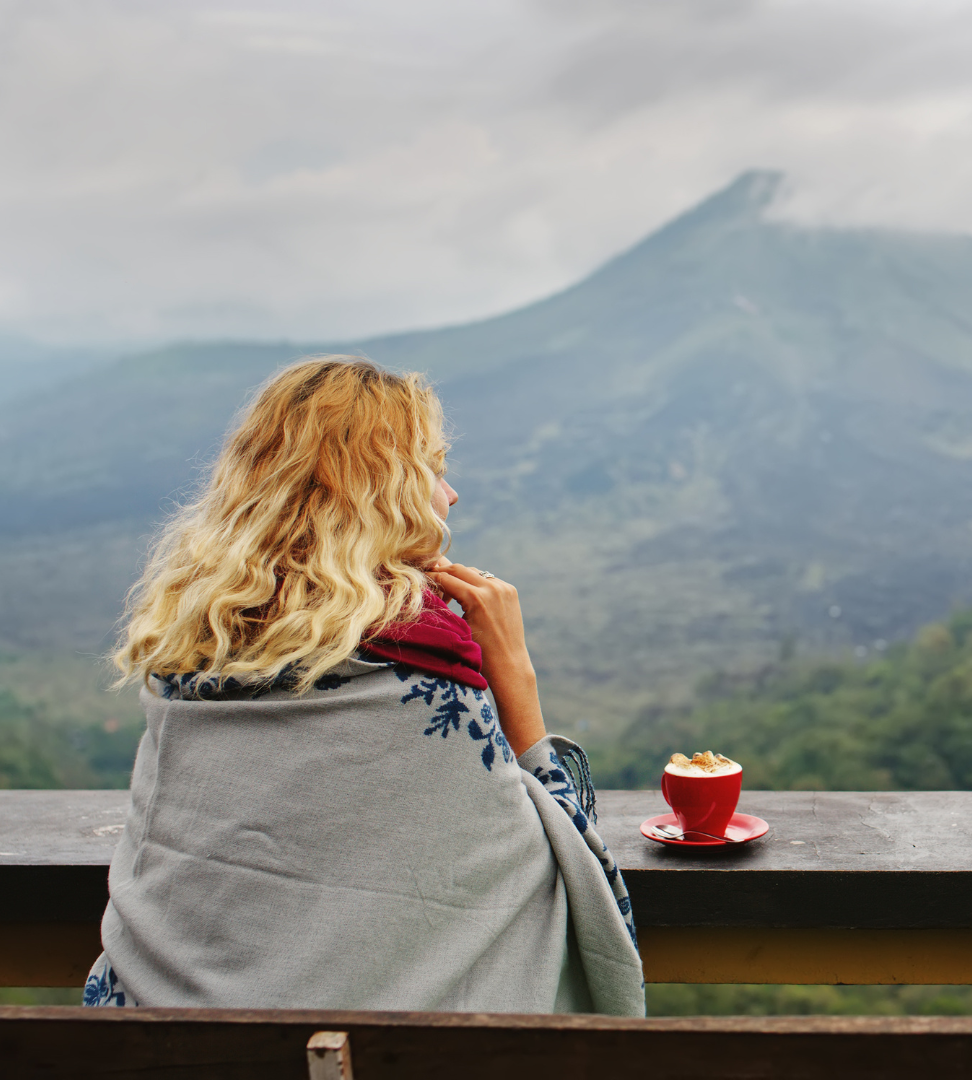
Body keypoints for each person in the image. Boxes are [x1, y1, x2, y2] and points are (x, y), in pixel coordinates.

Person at [83, 356, 644, 1015]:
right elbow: (562, 867)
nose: (451, 493)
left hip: (149, 1053)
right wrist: (515, 678)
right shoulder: (422, 669)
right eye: (434, 470)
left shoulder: (191, 649)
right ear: (387, 492)